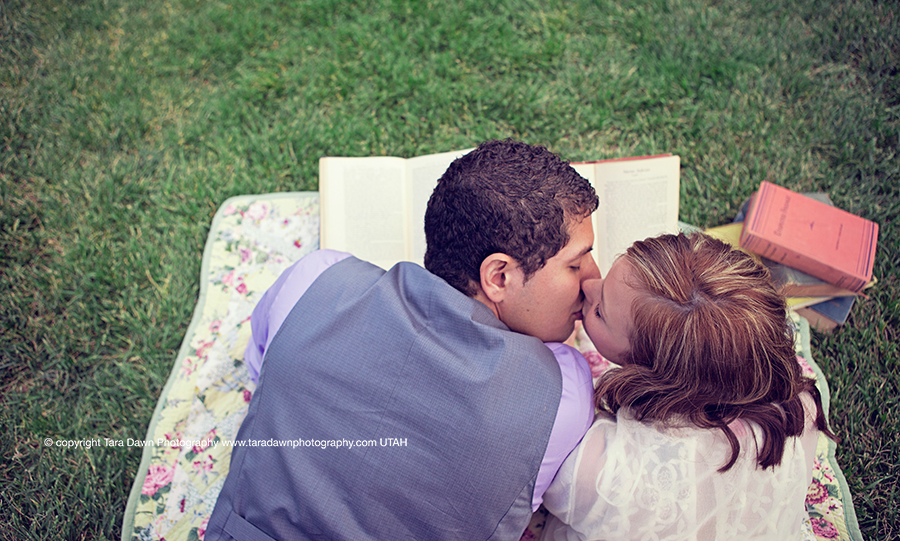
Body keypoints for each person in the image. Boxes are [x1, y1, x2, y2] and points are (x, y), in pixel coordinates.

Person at [205, 139, 601, 541]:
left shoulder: (315, 280)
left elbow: (262, 364)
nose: (593, 278)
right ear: (499, 277)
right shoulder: (561, 392)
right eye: (576, 262)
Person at [540, 232, 838, 541]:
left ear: (651, 373)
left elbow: (546, 486)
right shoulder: (801, 408)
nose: (588, 285)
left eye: (600, 312)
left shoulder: (604, 468)